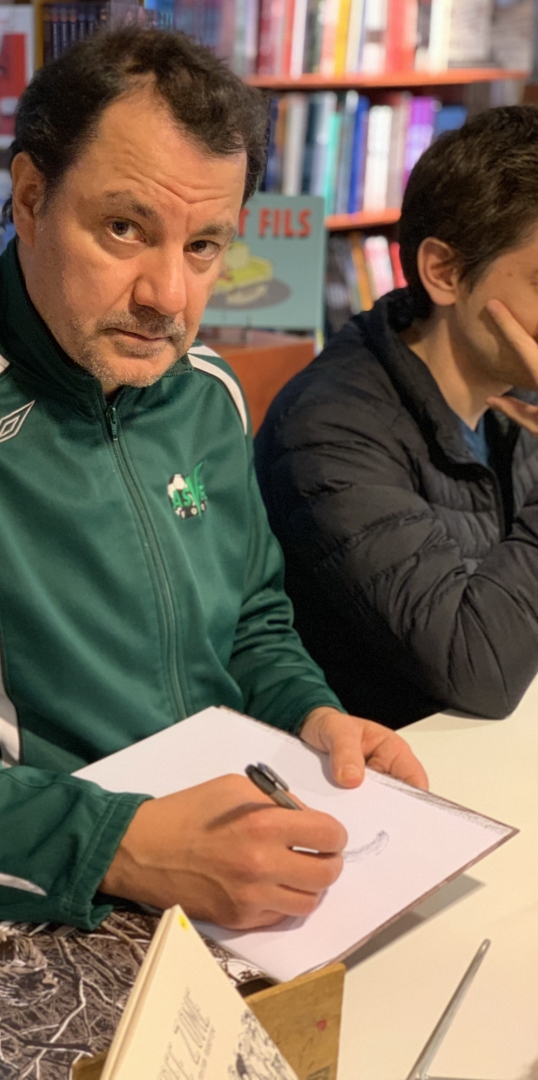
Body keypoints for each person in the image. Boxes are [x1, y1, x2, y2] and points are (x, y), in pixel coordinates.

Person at [0, 28, 425, 934]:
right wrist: (124, 845)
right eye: (125, 228)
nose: (168, 295)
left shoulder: (209, 393)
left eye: (204, 246)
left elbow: (251, 622)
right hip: (29, 917)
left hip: (226, 883)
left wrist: (312, 715)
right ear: (30, 196)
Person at [256, 105, 538, 729]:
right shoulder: (328, 427)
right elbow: (479, 668)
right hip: (384, 767)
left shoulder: (518, 392)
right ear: (444, 272)